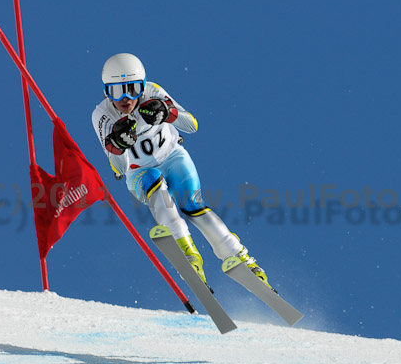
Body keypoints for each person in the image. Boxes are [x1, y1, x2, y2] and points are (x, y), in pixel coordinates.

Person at [91, 53, 273, 291]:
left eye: (133, 88)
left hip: (173, 157)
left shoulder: (153, 92)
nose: (126, 98)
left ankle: (240, 257)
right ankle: (190, 256)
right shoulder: (102, 116)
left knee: (193, 206)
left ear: (142, 86)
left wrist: (168, 113)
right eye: (117, 91)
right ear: (107, 91)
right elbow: (119, 167)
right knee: (159, 193)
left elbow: (193, 125)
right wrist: (118, 144)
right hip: (139, 172)